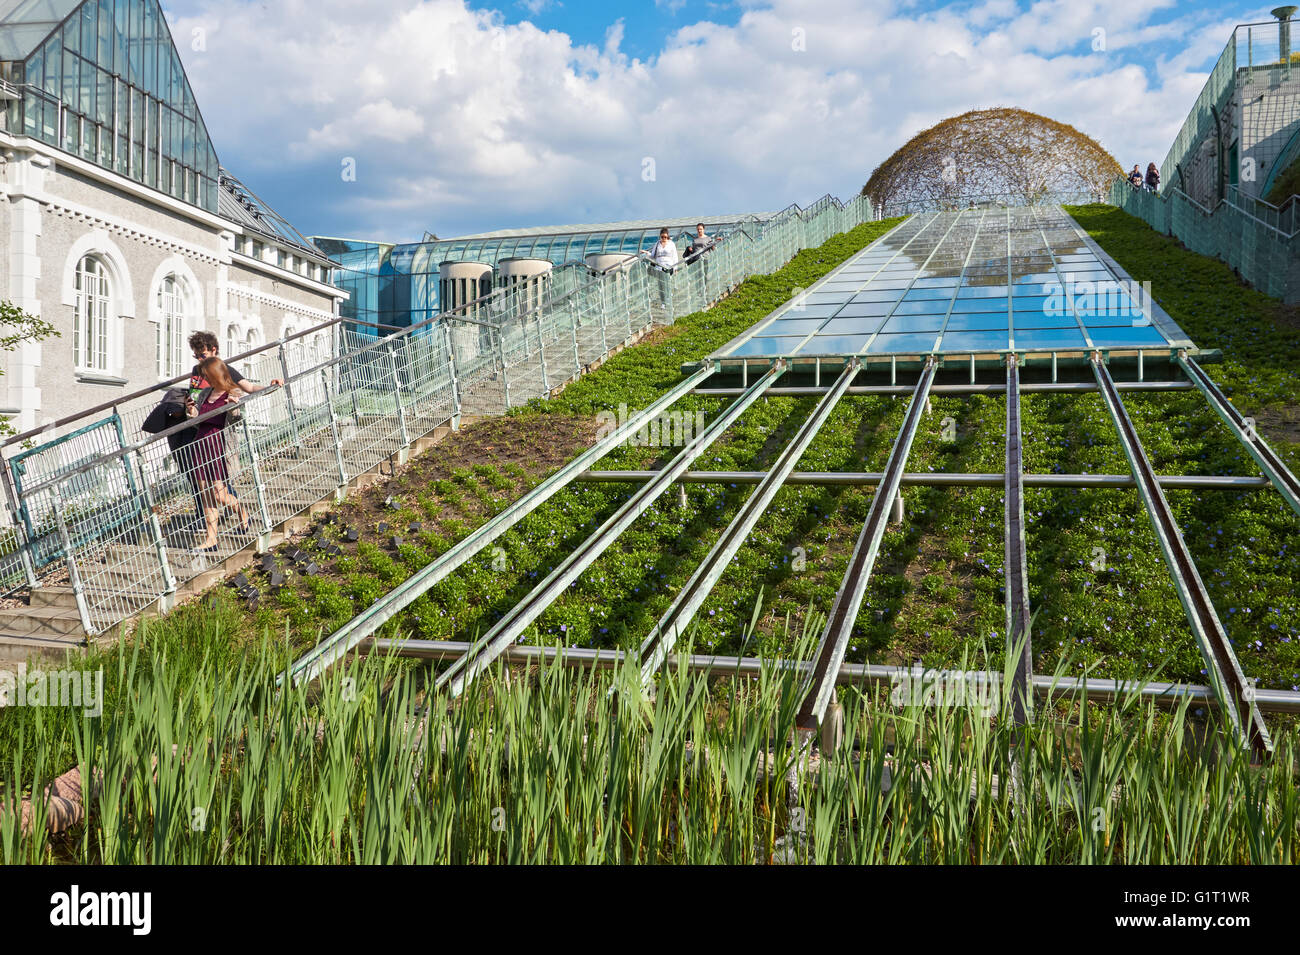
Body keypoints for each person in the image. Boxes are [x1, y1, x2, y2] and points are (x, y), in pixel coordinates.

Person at [186, 357, 251, 553]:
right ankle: (211, 538)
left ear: (215, 374)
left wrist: (234, 407)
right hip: (200, 443)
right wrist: (191, 409)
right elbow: (198, 419)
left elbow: (237, 419)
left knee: (219, 494)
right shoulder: (206, 393)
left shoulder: (232, 392)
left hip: (219, 445)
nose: (204, 379)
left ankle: (242, 512)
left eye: (206, 375)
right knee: (205, 494)